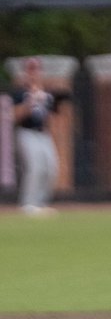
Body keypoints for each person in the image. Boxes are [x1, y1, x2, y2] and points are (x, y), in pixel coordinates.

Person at [10, 57, 61, 216]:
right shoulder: (20, 93)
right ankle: (28, 203)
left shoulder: (46, 94)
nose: (34, 73)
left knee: (51, 168)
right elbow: (14, 116)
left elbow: (53, 116)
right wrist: (30, 102)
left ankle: (41, 203)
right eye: (31, 69)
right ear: (26, 72)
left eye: (37, 69)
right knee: (34, 167)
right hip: (26, 132)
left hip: (42, 134)